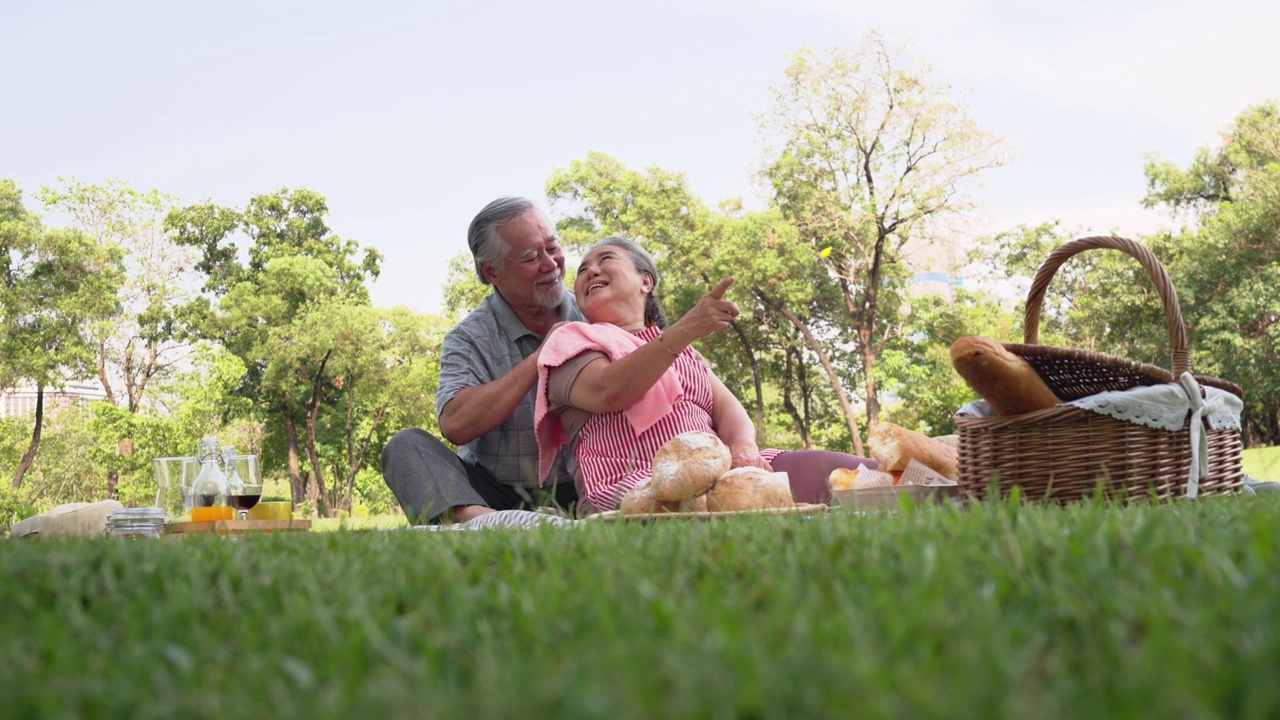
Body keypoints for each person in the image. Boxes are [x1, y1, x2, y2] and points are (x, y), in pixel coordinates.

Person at [534, 236, 878, 513]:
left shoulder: (682, 349)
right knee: (709, 508)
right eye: (582, 270)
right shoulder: (568, 341)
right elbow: (609, 391)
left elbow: (728, 410)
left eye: (604, 259)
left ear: (645, 281)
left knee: (862, 475)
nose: (590, 271)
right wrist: (686, 328)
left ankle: (928, 491)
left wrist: (743, 447)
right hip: (636, 486)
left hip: (723, 470)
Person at [382, 197, 584, 524]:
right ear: (492, 272)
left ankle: (593, 513)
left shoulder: (596, 310)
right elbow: (456, 424)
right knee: (406, 447)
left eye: (553, 247)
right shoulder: (468, 337)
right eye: (532, 257)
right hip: (495, 492)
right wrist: (540, 357)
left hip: (591, 480)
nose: (551, 264)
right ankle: (488, 521)